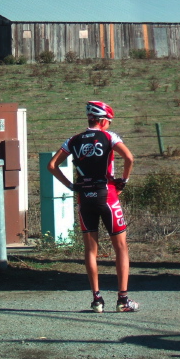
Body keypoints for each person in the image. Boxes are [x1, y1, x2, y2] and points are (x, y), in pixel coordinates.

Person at [48, 101, 138, 313]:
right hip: (107, 195)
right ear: (104, 120)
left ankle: (97, 300)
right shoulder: (110, 137)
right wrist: (123, 180)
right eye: (109, 121)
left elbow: (51, 165)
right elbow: (129, 158)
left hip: (84, 198)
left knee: (90, 250)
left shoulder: (73, 140)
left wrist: (70, 185)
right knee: (121, 248)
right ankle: (123, 300)